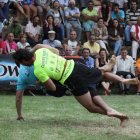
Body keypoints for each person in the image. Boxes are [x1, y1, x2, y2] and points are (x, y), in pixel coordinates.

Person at [13, 45, 139, 126]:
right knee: (101, 73)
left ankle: (110, 112)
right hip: (75, 66)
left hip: (71, 79)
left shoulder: (37, 70)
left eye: (21, 63)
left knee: (90, 106)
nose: (23, 65)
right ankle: (121, 80)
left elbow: (52, 88)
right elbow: (55, 50)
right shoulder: (41, 51)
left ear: (25, 60)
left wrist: (42, 82)